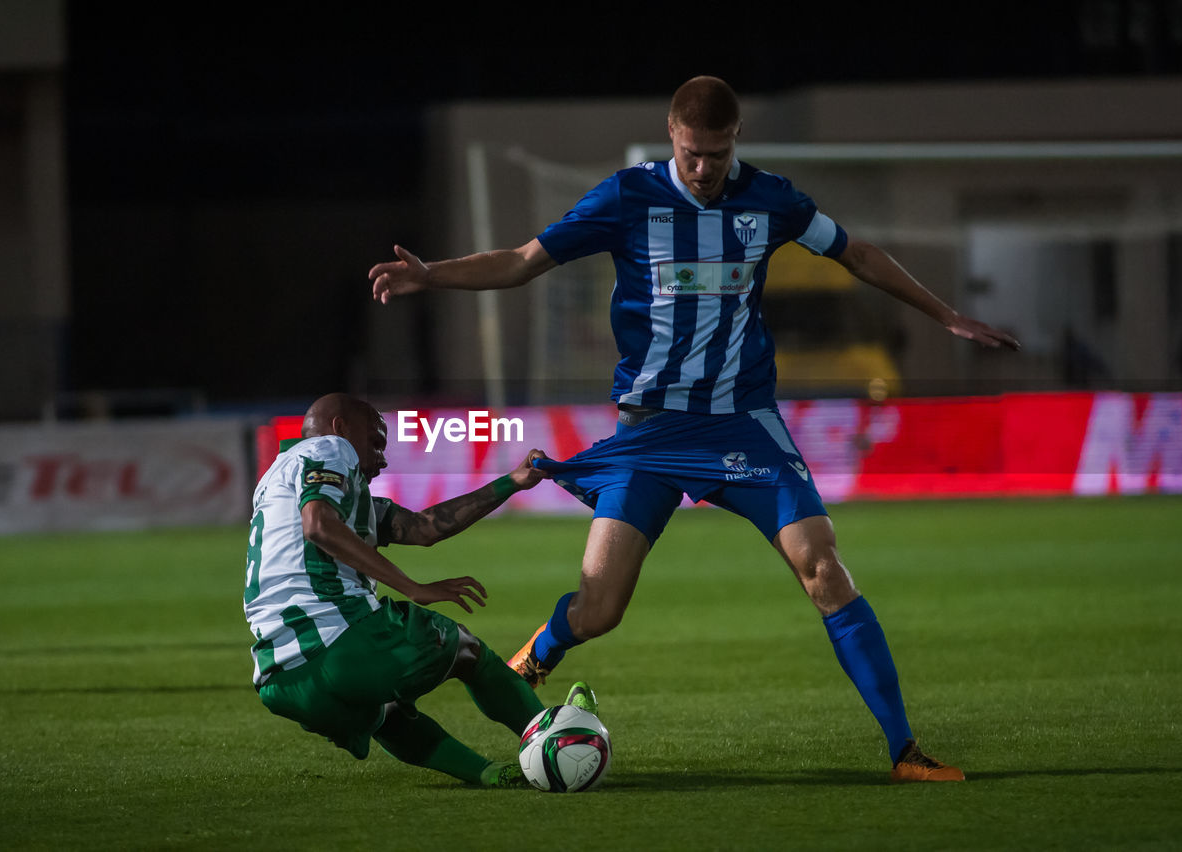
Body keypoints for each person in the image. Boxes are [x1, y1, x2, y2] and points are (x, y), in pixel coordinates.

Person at [369, 76, 1020, 783]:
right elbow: (524, 262)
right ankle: (551, 643)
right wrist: (432, 275)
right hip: (650, 428)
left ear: (733, 139)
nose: (703, 168)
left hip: (743, 421)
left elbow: (856, 253)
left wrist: (944, 314)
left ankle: (903, 749)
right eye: (691, 154)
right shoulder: (627, 198)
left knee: (824, 568)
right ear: (672, 136)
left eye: (715, 153)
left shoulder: (772, 200)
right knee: (600, 608)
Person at [245, 391, 580, 787]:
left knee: (385, 713)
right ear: (341, 427)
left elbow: (425, 527)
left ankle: (490, 774)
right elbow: (317, 525)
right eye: (376, 442)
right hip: (337, 640)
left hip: (282, 681)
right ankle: (555, 742)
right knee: (467, 650)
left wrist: (512, 482)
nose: (382, 459)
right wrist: (413, 588)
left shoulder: (280, 480)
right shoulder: (328, 448)